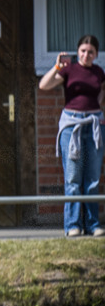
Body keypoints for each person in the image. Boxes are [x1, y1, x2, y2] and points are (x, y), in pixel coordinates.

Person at [38, 34, 104, 237]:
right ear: (78, 51)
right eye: (83, 51)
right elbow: (44, 85)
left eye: (90, 52)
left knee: (92, 178)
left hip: (93, 125)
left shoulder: (99, 72)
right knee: (73, 177)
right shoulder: (69, 69)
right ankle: (73, 225)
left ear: (95, 54)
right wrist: (56, 66)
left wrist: (99, 114)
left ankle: (93, 225)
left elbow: (101, 95)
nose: (86, 55)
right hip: (71, 125)